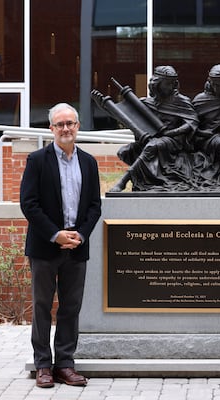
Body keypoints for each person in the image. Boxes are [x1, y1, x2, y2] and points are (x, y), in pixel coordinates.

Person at [20, 103, 102, 388]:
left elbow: (94, 206)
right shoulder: (37, 160)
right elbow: (29, 204)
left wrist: (80, 234)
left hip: (77, 247)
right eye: (60, 124)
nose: (66, 129)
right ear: (51, 129)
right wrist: (56, 235)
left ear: (78, 126)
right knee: (42, 306)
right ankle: (43, 364)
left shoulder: (89, 162)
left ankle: (65, 364)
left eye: (70, 123)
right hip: (45, 247)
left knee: (71, 307)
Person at [110, 65, 198, 191]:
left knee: (153, 146)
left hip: (174, 141)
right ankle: (147, 181)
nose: (171, 87)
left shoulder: (181, 101)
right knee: (125, 151)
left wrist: (172, 132)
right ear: (157, 84)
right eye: (167, 84)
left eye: (172, 83)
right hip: (153, 137)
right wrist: (105, 105)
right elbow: (130, 120)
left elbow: (192, 123)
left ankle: (123, 181)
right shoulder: (147, 103)